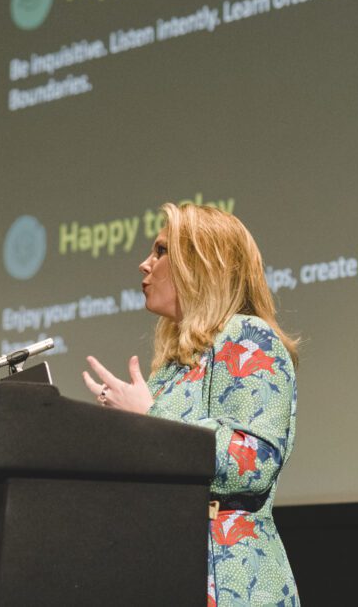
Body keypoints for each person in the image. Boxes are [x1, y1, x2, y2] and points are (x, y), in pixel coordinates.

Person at [82, 202, 299, 606]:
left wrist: (149, 417)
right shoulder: (173, 366)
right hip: (169, 570)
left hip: (230, 578)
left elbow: (252, 464)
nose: (144, 265)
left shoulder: (249, 337)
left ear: (202, 264)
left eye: (161, 251)